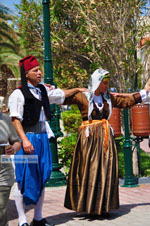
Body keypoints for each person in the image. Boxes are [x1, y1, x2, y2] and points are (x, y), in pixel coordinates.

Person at [8, 55, 87, 226]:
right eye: (35, 70)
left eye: (39, 69)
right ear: (26, 73)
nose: (39, 72)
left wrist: (78, 90)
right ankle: (22, 220)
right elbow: (15, 119)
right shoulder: (18, 94)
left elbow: (61, 94)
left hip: (43, 138)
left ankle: (38, 218)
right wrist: (25, 141)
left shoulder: (43, 90)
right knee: (24, 178)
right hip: (27, 139)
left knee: (43, 176)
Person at [63, 68, 149, 216]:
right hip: (88, 140)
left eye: (108, 83)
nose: (106, 86)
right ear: (97, 83)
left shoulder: (108, 98)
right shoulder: (82, 96)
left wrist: (144, 92)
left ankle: (103, 206)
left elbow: (126, 101)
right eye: (104, 83)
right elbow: (62, 97)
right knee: (89, 169)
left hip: (104, 139)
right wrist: (75, 88)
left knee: (105, 170)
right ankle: (88, 206)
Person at [0, 97, 21, 226]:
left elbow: (17, 142)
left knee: (1, 210)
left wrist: (13, 148)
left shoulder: (5, 119)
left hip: (3, 172)